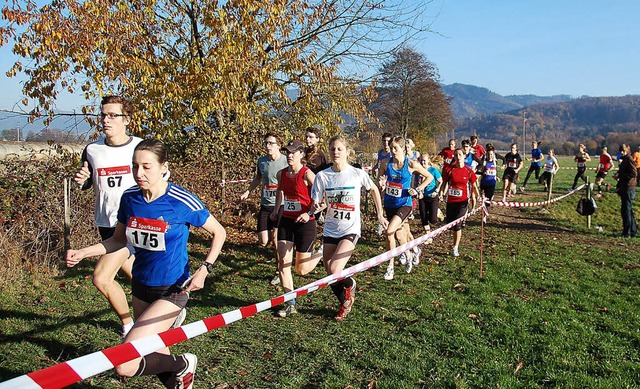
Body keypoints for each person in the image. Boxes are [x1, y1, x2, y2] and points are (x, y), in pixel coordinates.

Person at [66, 139, 226, 388]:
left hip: (173, 288)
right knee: (158, 353)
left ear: (163, 167)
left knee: (125, 363)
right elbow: (117, 241)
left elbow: (219, 232)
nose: (138, 173)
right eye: (134, 166)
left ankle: (183, 364)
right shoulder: (130, 198)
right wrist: (83, 252)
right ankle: (179, 378)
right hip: (141, 285)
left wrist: (205, 269)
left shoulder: (180, 201)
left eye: (146, 167)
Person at [73, 95, 143, 337]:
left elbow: (159, 183)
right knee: (138, 273)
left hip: (134, 223)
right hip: (105, 223)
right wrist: (81, 182)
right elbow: (88, 180)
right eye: (103, 115)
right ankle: (169, 307)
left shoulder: (140, 147)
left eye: (113, 115)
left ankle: (128, 327)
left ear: (127, 119)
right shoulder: (92, 150)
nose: (106, 120)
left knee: (101, 278)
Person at [311, 135, 388, 321]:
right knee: (329, 272)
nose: (335, 152)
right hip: (330, 228)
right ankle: (345, 302)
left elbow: (374, 189)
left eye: (339, 149)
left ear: (347, 151)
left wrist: (379, 214)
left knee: (337, 268)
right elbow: (318, 201)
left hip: (350, 229)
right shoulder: (323, 176)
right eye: (332, 149)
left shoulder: (357, 173)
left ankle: (350, 284)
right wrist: (316, 207)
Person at [270, 140, 323, 317]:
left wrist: (309, 213)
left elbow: (324, 200)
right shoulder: (281, 174)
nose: (290, 155)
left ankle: (321, 253)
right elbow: (280, 191)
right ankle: (290, 302)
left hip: (305, 223)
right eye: (287, 152)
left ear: (301, 154)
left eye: (293, 152)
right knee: (283, 263)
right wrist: (277, 210)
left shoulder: (307, 174)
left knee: (301, 270)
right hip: (286, 220)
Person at [378, 136, 433, 279]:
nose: (393, 151)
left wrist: (418, 189)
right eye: (391, 148)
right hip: (389, 203)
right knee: (397, 235)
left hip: (404, 204)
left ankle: (390, 267)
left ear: (403, 148)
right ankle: (408, 255)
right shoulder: (385, 163)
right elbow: (380, 182)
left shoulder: (411, 165)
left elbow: (429, 177)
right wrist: (382, 185)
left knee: (389, 231)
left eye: (395, 148)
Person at [240, 133, 288, 285]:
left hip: (280, 204)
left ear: (279, 145)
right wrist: (248, 191)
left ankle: (279, 269)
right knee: (263, 241)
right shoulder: (262, 161)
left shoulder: (286, 161)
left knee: (275, 239)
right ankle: (280, 263)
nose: (268, 146)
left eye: (271, 143)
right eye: (266, 143)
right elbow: (258, 178)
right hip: (265, 204)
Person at [439, 148, 479, 257]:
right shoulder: (449, 170)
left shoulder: (468, 171)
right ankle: (454, 240)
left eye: (460, 154)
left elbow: (474, 186)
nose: (458, 156)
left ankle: (455, 247)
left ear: (464, 156)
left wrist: (478, 196)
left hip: (463, 201)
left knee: (457, 225)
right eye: (456, 155)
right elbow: (444, 183)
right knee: (450, 224)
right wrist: (441, 193)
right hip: (451, 201)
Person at [614, 144, 637, 238]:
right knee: (629, 210)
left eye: (622, 151)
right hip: (626, 187)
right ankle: (633, 230)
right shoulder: (625, 160)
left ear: (626, 151)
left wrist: (621, 176)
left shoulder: (629, 160)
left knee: (626, 210)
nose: (621, 153)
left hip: (628, 188)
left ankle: (627, 232)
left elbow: (633, 173)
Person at [417, 152, 442, 238]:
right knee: (423, 217)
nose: (422, 163)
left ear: (428, 161)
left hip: (432, 196)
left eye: (424, 160)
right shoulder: (417, 171)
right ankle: (428, 236)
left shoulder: (433, 171)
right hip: (422, 197)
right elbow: (416, 184)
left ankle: (437, 212)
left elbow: (441, 182)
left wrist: (437, 190)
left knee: (433, 220)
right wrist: (418, 192)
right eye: (421, 161)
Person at [478, 144, 500, 221]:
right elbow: (478, 171)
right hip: (484, 183)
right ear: (486, 154)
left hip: (492, 183)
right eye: (489, 154)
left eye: (491, 154)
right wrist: (483, 172)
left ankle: (485, 214)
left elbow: (495, 170)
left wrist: (496, 176)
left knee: (488, 199)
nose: (490, 156)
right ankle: (483, 214)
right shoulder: (484, 162)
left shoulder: (495, 162)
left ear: (493, 154)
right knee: (483, 199)